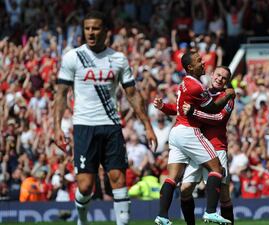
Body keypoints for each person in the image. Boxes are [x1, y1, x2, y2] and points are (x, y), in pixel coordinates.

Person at [53, 11, 158, 225]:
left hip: (111, 125)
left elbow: (132, 94)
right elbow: (61, 94)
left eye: (96, 28)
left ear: (106, 32)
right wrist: (56, 126)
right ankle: (82, 221)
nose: (91, 32)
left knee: (118, 179)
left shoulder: (118, 59)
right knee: (84, 186)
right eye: (87, 28)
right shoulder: (73, 57)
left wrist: (147, 126)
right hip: (84, 126)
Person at [154, 51, 235, 225]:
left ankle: (164, 215)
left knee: (224, 194)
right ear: (212, 75)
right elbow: (184, 110)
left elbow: (218, 118)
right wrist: (165, 108)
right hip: (195, 142)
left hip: (215, 145)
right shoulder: (201, 89)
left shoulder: (227, 97)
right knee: (185, 189)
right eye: (219, 75)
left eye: (225, 78)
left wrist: (193, 111)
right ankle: (202, 216)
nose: (220, 79)